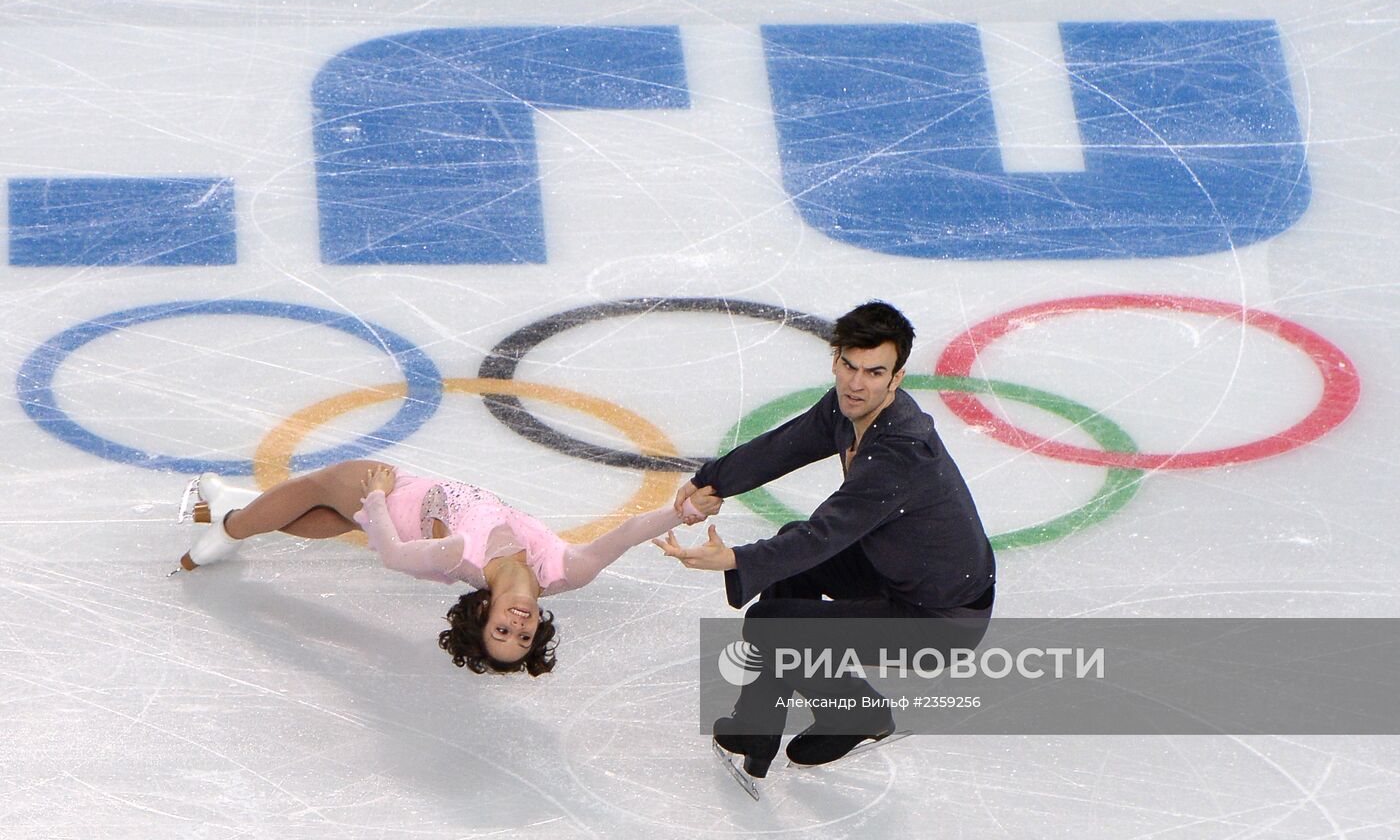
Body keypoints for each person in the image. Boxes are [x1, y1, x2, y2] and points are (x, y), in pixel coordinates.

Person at [655, 300, 995, 776]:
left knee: (774, 621)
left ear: (896, 379)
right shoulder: (845, 408)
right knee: (789, 568)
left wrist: (734, 558)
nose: (857, 384)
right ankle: (770, 721)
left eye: (875, 373)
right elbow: (783, 445)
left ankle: (852, 711)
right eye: (850, 367)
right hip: (896, 572)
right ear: (835, 359)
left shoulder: (901, 453)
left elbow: (825, 535)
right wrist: (711, 480)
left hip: (942, 617)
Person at [176, 461, 719, 676]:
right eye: (522, 637)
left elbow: (391, 553)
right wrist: (679, 511)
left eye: (502, 632)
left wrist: (381, 500)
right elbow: (623, 535)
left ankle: (226, 527)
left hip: (403, 507)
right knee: (334, 519)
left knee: (324, 490)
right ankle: (236, 507)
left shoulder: (458, 554)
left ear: (483, 613)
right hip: (403, 517)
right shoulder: (564, 571)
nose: (519, 625)